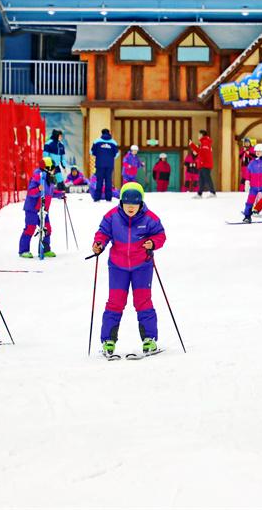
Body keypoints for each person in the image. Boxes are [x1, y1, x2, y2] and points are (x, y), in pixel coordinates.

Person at [92, 183, 166, 359]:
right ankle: (108, 341)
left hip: (142, 266)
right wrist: (99, 244)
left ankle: (149, 339)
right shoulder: (112, 216)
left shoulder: (150, 218)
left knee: (143, 301)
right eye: (127, 204)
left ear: (141, 203)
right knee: (115, 302)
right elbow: (102, 232)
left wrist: (153, 243)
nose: (130, 207)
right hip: (118, 267)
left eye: (134, 204)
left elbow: (160, 235)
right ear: (121, 202)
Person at [19, 158, 55, 258]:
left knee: (47, 228)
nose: (54, 170)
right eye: (53, 168)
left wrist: (60, 194)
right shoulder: (37, 177)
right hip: (33, 209)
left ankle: (45, 249)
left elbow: (49, 193)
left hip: (43, 209)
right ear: (48, 168)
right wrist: (38, 190)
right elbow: (30, 192)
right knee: (30, 228)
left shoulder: (48, 178)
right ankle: (23, 250)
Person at [91, 128, 119, 202]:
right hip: (110, 165)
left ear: (102, 133)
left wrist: (99, 155)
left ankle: (97, 198)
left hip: (99, 164)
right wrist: (110, 157)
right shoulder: (113, 142)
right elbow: (117, 154)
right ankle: (108, 198)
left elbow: (92, 152)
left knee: (99, 181)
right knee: (109, 181)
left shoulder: (97, 141)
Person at [190, 129, 216, 198]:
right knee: (201, 180)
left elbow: (204, 154)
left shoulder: (205, 142)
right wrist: (192, 145)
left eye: (199, 135)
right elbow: (200, 152)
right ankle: (199, 194)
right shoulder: (205, 142)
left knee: (207, 178)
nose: (198, 136)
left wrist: (201, 161)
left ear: (201, 135)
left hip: (205, 164)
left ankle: (212, 192)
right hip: (203, 164)